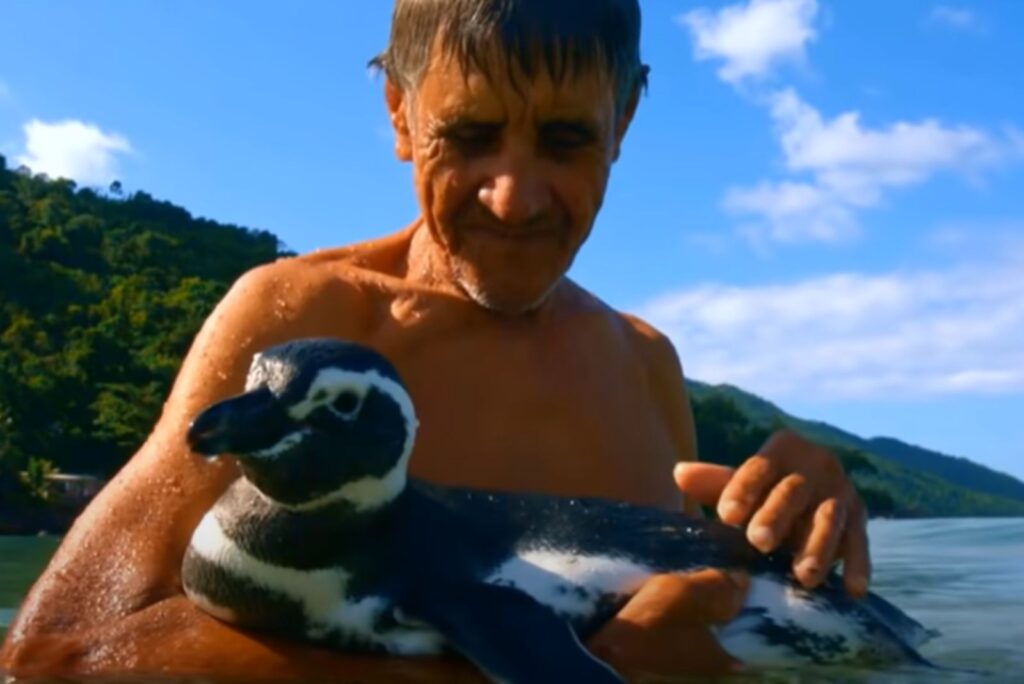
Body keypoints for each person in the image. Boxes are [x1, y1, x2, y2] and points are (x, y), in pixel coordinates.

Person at [0, 1, 869, 681]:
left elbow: (682, 623)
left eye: (566, 140)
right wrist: (560, 667)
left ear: (626, 119)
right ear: (401, 115)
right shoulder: (306, 321)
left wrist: (794, 543)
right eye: (471, 137)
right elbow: (59, 653)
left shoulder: (645, 364)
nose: (515, 198)